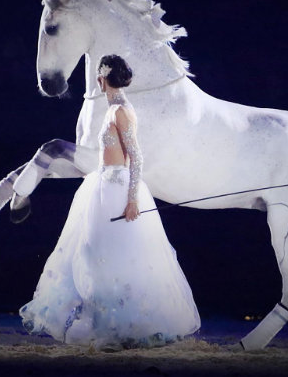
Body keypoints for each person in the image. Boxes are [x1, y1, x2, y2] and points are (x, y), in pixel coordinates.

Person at [19, 55, 200, 350]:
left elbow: (136, 158)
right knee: (94, 254)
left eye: (98, 78)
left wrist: (132, 200)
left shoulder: (121, 112)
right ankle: (105, 322)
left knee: (114, 256)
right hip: (103, 185)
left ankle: (126, 325)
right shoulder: (113, 110)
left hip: (117, 189)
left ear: (102, 79)